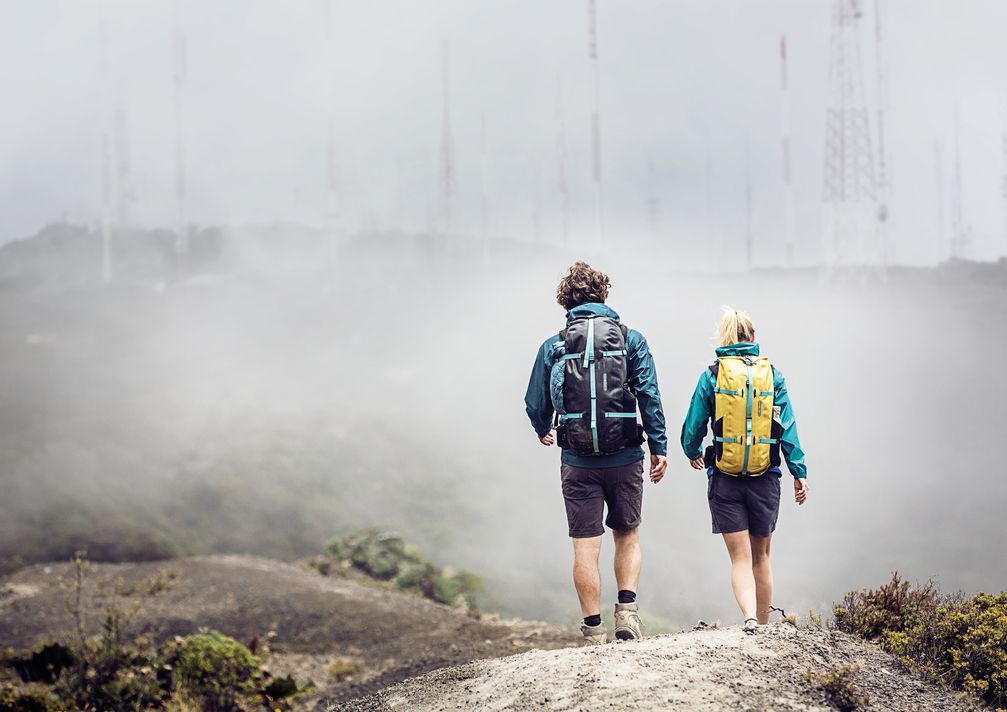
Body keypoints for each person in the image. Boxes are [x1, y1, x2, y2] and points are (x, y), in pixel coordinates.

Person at [525, 262, 668, 645]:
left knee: (585, 547)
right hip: (625, 456)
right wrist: (659, 446)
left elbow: (534, 401)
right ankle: (627, 614)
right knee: (627, 536)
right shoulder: (629, 339)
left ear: (566, 301)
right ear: (604, 295)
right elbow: (649, 396)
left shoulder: (553, 345)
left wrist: (544, 429)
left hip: (577, 460)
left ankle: (592, 629)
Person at [680, 307, 808, 633]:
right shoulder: (773, 376)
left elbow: (693, 425)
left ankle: (749, 616)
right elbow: (787, 428)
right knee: (761, 557)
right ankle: (764, 625)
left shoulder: (713, 375)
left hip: (725, 479)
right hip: (765, 479)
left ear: (723, 339)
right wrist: (799, 472)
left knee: (739, 559)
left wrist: (692, 451)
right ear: (753, 338)